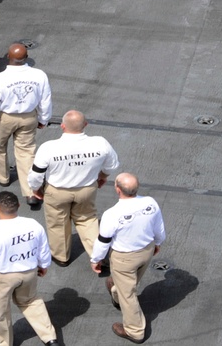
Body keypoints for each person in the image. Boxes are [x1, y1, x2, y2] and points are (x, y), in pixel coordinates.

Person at [28, 110, 120, 266]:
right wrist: (102, 177)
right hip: (86, 189)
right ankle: (99, 255)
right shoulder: (100, 143)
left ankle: (61, 256)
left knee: (58, 223)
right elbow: (112, 165)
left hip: (57, 191)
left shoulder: (49, 147)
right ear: (85, 124)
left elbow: (36, 175)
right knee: (88, 219)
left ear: (62, 126)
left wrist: (35, 188)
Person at [0, 191, 60, 346]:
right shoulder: (33, 225)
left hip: (3, 277)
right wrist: (44, 265)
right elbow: (43, 249)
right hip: (29, 272)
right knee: (31, 302)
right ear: (18, 205)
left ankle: (3, 342)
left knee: (0, 311)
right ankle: (50, 338)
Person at [90, 173, 167, 345]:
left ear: (117, 189)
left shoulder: (112, 214)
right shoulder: (150, 202)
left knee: (129, 295)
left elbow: (103, 241)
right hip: (146, 251)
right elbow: (159, 227)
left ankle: (135, 331)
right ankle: (115, 291)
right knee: (127, 285)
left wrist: (96, 259)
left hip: (124, 259)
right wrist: (158, 243)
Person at [0, 42, 52, 208]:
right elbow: (45, 100)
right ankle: (30, 192)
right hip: (28, 117)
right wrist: (44, 119)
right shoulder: (39, 75)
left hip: (6, 117)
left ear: (8, 57)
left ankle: (2, 176)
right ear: (26, 58)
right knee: (27, 151)